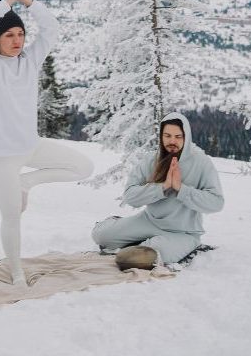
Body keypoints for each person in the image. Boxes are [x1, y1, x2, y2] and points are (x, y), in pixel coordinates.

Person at [0, 0, 94, 285]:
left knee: (83, 166)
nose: (17, 40)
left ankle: (28, 183)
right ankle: (16, 272)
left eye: (20, 34)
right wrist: (7, 4)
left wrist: (28, 2)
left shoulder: (29, 61)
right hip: (1, 157)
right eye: (9, 35)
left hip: (31, 147)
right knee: (12, 218)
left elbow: (50, 29)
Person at [92, 112, 223, 269]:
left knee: (139, 258)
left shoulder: (201, 162)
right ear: (161, 136)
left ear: (186, 137)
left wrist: (181, 189)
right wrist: (163, 187)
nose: (172, 141)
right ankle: (117, 224)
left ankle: (148, 245)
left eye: (178, 136)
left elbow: (216, 203)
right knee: (100, 235)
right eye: (167, 136)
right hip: (148, 221)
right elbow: (129, 196)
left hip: (183, 233)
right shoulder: (151, 160)